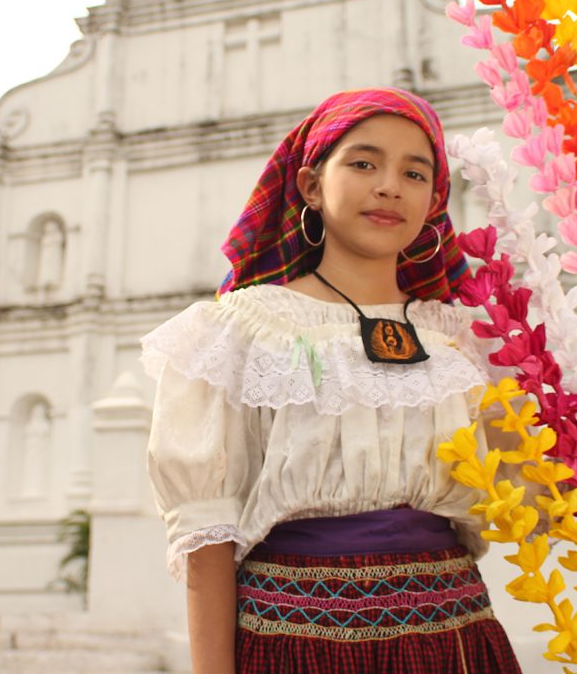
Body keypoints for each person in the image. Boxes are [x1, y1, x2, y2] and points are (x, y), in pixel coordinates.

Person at [140, 88, 523, 673]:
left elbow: (538, 480)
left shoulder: (461, 341)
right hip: (297, 646)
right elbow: (206, 536)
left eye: (415, 173)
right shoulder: (244, 330)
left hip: (457, 641)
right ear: (312, 185)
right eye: (364, 162)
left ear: (434, 200)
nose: (390, 185)